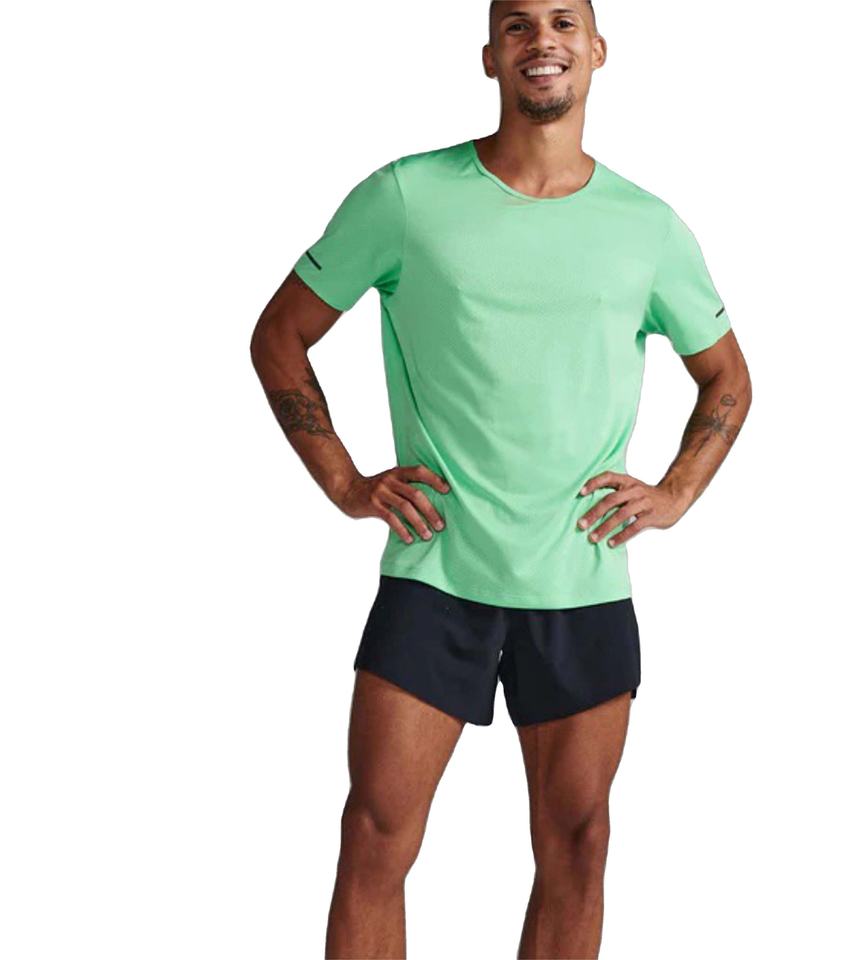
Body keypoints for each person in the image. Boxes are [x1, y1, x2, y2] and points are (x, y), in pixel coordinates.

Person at [250, 1, 752, 956]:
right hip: (436, 572)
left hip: (581, 576)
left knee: (578, 847)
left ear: (597, 51)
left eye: (563, 21)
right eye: (518, 25)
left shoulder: (648, 227)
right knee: (374, 838)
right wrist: (345, 482)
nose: (542, 41)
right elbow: (280, 335)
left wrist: (675, 494)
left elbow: (726, 375)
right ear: (490, 56)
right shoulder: (405, 197)